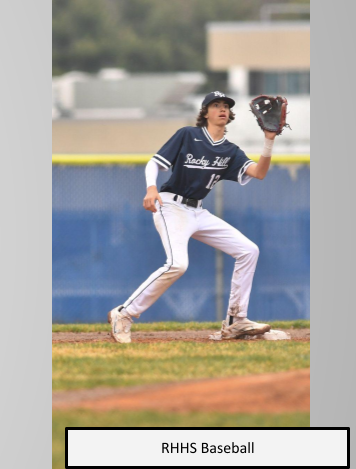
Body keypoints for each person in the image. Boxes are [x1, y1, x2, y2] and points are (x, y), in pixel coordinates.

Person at [108, 91, 276, 342]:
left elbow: (259, 172)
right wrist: (151, 188)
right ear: (205, 112)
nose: (222, 109)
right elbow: (154, 163)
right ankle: (124, 313)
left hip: (197, 211)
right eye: (216, 105)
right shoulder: (188, 135)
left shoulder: (230, 150)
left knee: (248, 250)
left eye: (226, 106)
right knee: (177, 264)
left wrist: (269, 140)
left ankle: (236, 321)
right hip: (170, 206)